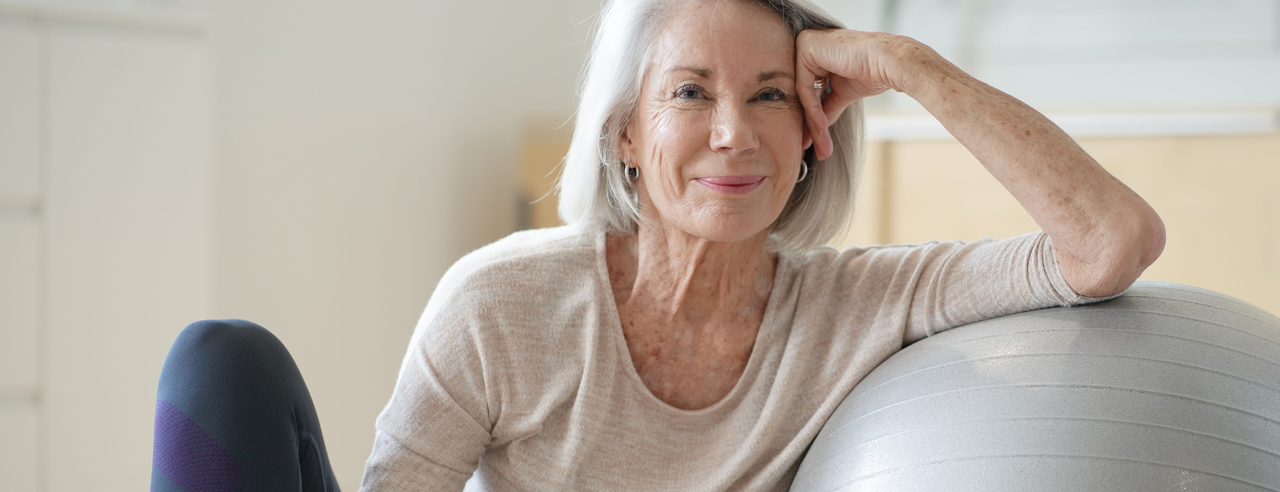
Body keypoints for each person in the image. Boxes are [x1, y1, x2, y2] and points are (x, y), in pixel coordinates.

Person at [151, 0, 1164, 490]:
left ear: (812, 137)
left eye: (771, 95)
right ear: (625, 135)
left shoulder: (863, 305)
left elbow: (1107, 242)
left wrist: (906, 64)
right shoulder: (504, 304)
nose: (732, 132)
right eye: (690, 92)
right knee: (219, 360)